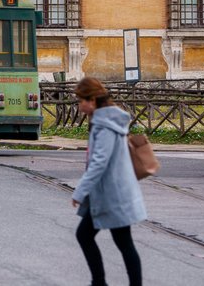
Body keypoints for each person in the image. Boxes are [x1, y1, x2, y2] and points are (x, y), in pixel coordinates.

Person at [71, 77, 145, 286]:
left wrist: (79, 192)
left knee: (104, 239)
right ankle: (99, 282)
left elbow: (98, 163)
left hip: (112, 195)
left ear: (92, 100)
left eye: (81, 100)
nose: (79, 105)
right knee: (118, 241)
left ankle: (99, 282)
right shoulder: (106, 121)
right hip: (109, 194)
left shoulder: (104, 126)